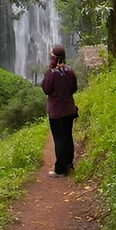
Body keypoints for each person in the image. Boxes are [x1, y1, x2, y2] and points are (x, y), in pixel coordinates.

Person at [42, 44, 78, 178]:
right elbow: (74, 88)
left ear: (55, 59)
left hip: (57, 112)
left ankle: (60, 170)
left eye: (51, 57)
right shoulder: (70, 71)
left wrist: (50, 70)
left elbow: (46, 89)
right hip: (69, 110)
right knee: (68, 137)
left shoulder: (52, 73)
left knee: (59, 140)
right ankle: (69, 164)